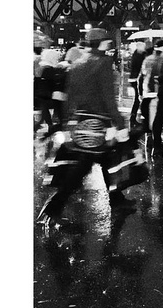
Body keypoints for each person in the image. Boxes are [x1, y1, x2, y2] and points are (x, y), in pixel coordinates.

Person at [37, 27, 134, 228]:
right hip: (99, 123)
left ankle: (117, 201)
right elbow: (108, 97)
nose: (110, 45)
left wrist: (66, 123)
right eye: (108, 42)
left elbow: (69, 96)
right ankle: (54, 206)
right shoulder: (104, 63)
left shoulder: (78, 63)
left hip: (81, 122)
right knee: (87, 164)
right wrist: (120, 122)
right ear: (102, 43)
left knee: (104, 159)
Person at [127, 41, 148, 126]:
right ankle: (133, 119)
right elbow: (141, 68)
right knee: (138, 99)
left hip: (134, 79)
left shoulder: (135, 55)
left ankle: (133, 118)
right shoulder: (139, 56)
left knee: (137, 99)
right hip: (137, 79)